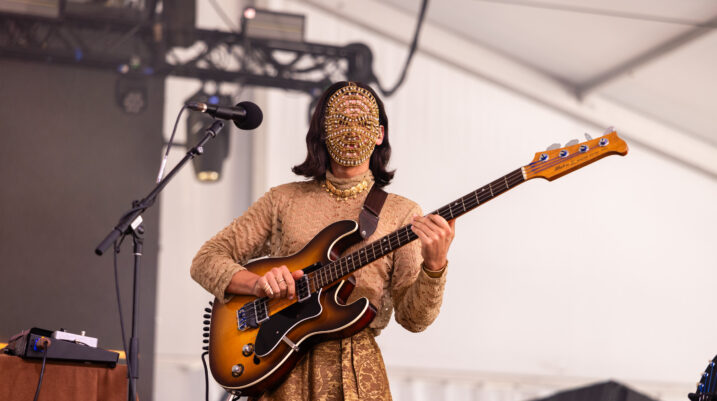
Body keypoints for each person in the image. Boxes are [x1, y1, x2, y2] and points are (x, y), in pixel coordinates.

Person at [190, 81, 455, 401]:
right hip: (280, 370)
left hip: (355, 377)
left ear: (380, 134)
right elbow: (206, 259)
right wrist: (258, 284)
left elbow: (414, 320)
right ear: (322, 131)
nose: (352, 131)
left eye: (363, 122)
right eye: (341, 121)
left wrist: (434, 266)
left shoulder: (403, 213)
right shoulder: (283, 200)